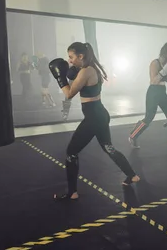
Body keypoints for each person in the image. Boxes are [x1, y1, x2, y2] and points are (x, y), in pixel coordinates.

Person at [48, 42, 140, 200]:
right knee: (108, 148)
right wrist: (71, 73)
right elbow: (75, 77)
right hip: (100, 114)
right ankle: (132, 175)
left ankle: (72, 192)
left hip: (93, 118)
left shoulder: (85, 72)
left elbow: (69, 93)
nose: (69, 60)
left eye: (71, 57)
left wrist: (59, 78)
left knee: (71, 152)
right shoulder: (92, 67)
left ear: (80, 56)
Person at [128, 42, 167, 148]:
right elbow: (153, 81)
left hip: (162, 91)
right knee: (149, 117)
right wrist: (164, 72)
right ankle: (132, 136)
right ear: (164, 53)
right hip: (153, 91)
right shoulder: (155, 63)